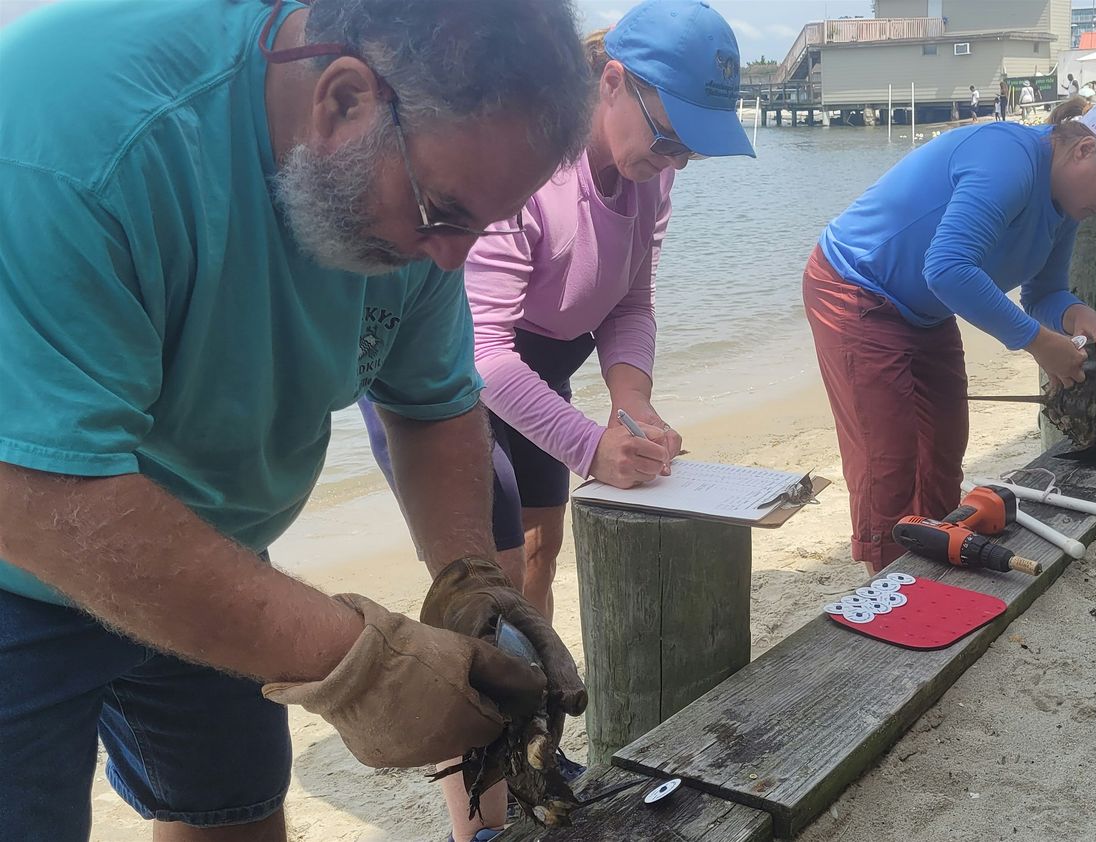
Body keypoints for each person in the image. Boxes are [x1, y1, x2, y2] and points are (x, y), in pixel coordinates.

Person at [0, 1, 595, 840]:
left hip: (210, 542)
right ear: (344, 99)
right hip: (19, 542)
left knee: (232, 818)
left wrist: (468, 580)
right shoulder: (75, 136)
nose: (453, 258)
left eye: (482, 226)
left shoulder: (426, 200)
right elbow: (40, 491)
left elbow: (432, 406)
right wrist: (361, 666)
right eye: (446, 214)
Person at [360, 3, 754, 837]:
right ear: (612, 83)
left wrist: (632, 402)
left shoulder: (652, 173)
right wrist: (587, 445)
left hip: (541, 365)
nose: (678, 158)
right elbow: (484, 354)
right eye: (672, 135)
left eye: (691, 146)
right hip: (452, 372)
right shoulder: (527, 166)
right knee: (479, 601)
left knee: (538, 556)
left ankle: (531, 741)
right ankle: (483, 822)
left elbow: (630, 300)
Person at [801, 98, 1096, 574]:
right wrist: (1040, 344)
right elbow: (949, 269)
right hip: (855, 288)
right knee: (888, 457)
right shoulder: (1009, 159)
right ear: (1084, 149)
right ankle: (887, 583)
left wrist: (1083, 317)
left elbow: (1045, 293)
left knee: (944, 443)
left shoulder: (1064, 208)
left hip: (926, 310)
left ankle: (932, 560)